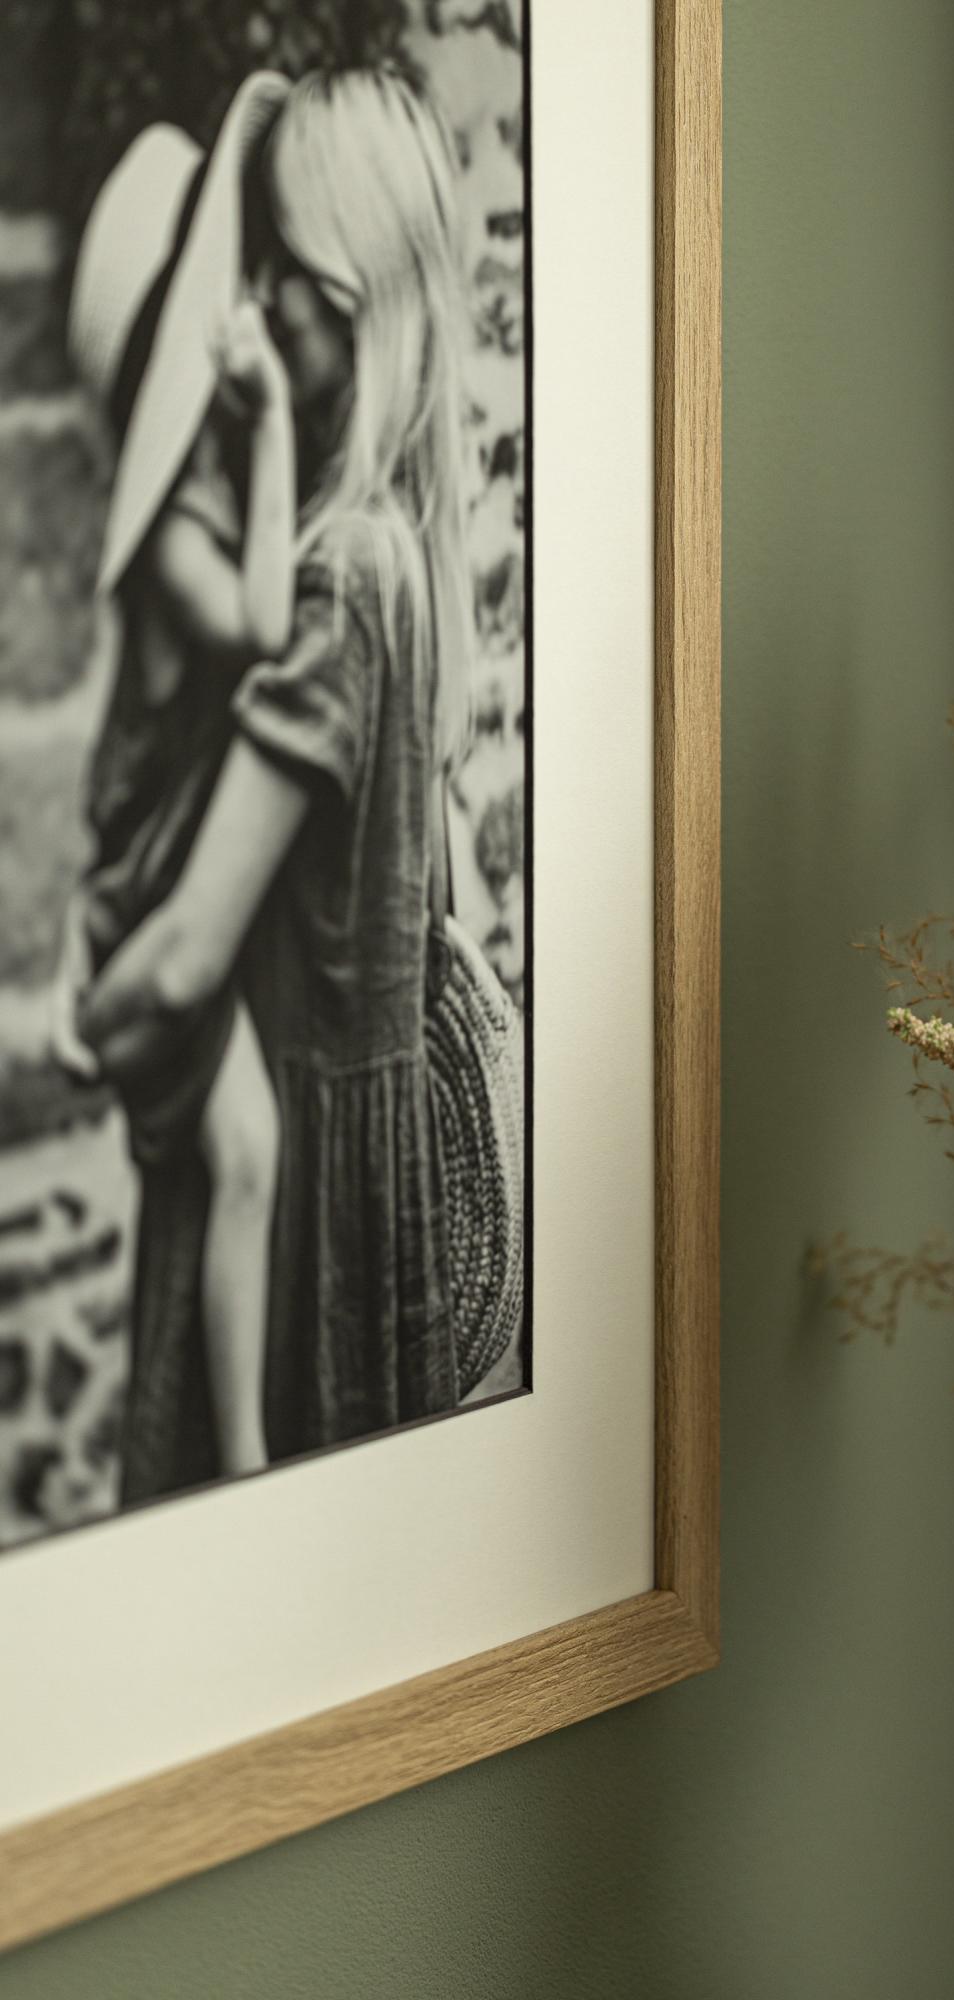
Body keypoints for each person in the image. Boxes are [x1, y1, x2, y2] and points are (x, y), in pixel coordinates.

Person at [78, 65, 479, 1499]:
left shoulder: (340, 574)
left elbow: (188, 955)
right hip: (355, 1160)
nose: (259, 302)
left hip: (312, 1185)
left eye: (280, 264)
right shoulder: (398, 555)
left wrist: (95, 1021)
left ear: (341, 291)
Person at [58, 76, 296, 1478]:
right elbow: (265, 619)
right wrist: (278, 420)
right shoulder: (175, 541)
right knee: (246, 1152)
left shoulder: (198, 500)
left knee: (241, 1161)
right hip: (149, 904)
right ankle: (249, 1459)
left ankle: (239, 1444)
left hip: (149, 882)